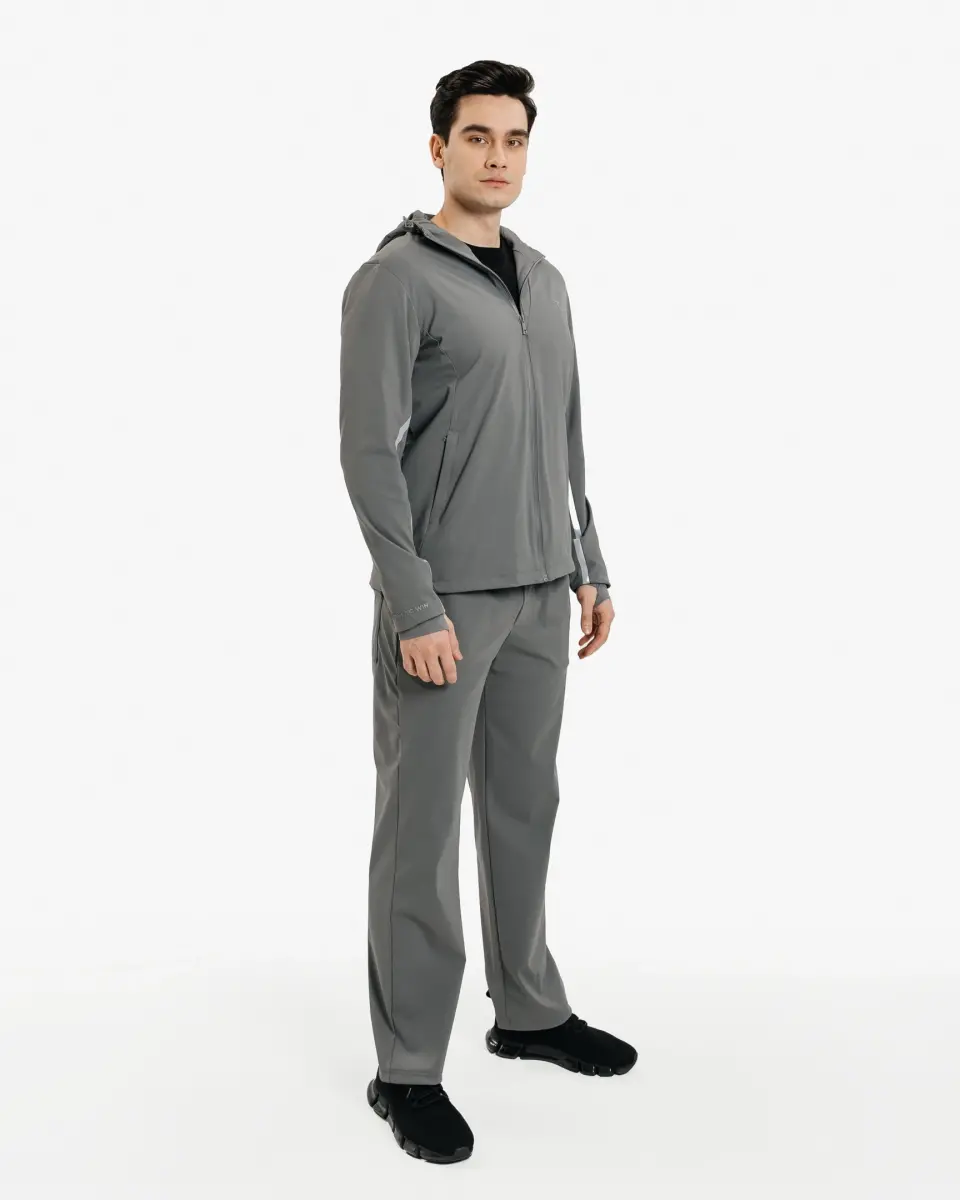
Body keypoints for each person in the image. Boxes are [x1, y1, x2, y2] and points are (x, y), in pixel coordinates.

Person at [339, 59, 636, 1165]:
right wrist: (412, 602)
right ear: (439, 149)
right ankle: (407, 1068)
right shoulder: (395, 279)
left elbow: (566, 431)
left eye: (514, 138)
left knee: (524, 808)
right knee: (420, 833)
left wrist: (588, 562)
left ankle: (530, 1011)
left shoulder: (545, 279)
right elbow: (367, 454)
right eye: (477, 137)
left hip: (541, 591)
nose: (498, 156)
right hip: (444, 602)